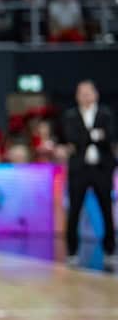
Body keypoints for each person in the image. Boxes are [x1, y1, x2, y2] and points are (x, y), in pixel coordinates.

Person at [61, 80, 115, 271]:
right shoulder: (70, 115)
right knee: (74, 211)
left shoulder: (106, 114)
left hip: (101, 169)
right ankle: (72, 253)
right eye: (81, 93)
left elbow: (109, 136)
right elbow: (71, 137)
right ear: (76, 96)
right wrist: (94, 135)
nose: (85, 96)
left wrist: (85, 136)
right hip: (79, 170)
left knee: (106, 210)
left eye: (88, 92)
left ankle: (110, 251)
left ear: (95, 94)